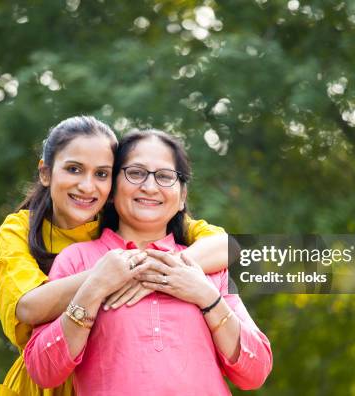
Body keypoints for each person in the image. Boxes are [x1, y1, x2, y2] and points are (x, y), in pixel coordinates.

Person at [24, 129, 272, 395]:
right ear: (112, 188)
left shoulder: (208, 268)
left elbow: (256, 372)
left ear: (182, 196)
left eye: (165, 176)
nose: (150, 187)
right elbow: (43, 371)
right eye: (136, 173)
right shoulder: (77, 259)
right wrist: (93, 288)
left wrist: (207, 298)